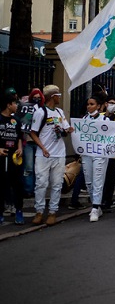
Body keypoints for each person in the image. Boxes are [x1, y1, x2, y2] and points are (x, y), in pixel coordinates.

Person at [29, 85, 74, 226]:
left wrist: (68, 130)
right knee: (41, 183)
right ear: (52, 97)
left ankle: (53, 211)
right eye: (58, 96)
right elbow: (33, 132)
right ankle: (39, 211)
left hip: (59, 154)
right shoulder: (40, 112)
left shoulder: (60, 112)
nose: (59, 98)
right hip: (44, 154)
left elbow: (65, 129)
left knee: (57, 184)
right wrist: (42, 148)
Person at [81, 95, 112, 223]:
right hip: (87, 153)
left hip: (100, 153)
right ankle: (96, 205)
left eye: (92, 104)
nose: (89, 106)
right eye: (88, 104)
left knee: (98, 179)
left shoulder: (105, 119)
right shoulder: (83, 119)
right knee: (89, 181)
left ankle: (95, 207)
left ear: (98, 106)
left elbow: (110, 134)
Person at [0, 93, 24, 224]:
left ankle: (19, 210)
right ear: (8, 105)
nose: (17, 105)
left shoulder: (16, 121)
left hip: (14, 158)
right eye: (14, 103)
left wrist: (20, 148)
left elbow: (19, 137)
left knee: (17, 184)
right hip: (2, 157)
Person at [17, 88, 44, 197]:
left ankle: (37, 189)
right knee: (28, 167)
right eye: (34, 97)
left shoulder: (43, 110)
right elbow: (22, 121)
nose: (36, 99)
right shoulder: (26, 109)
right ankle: (28, 189)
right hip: (28, 142)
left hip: (40, 142)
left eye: (39, 98)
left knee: (39, 167)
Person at [101, 95, 115, 211]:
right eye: (111, 103)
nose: (113, 105)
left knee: (110, 178)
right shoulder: (99, 117)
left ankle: (107, 201)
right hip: (100, 152)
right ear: (105, 104)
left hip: (111, 153)